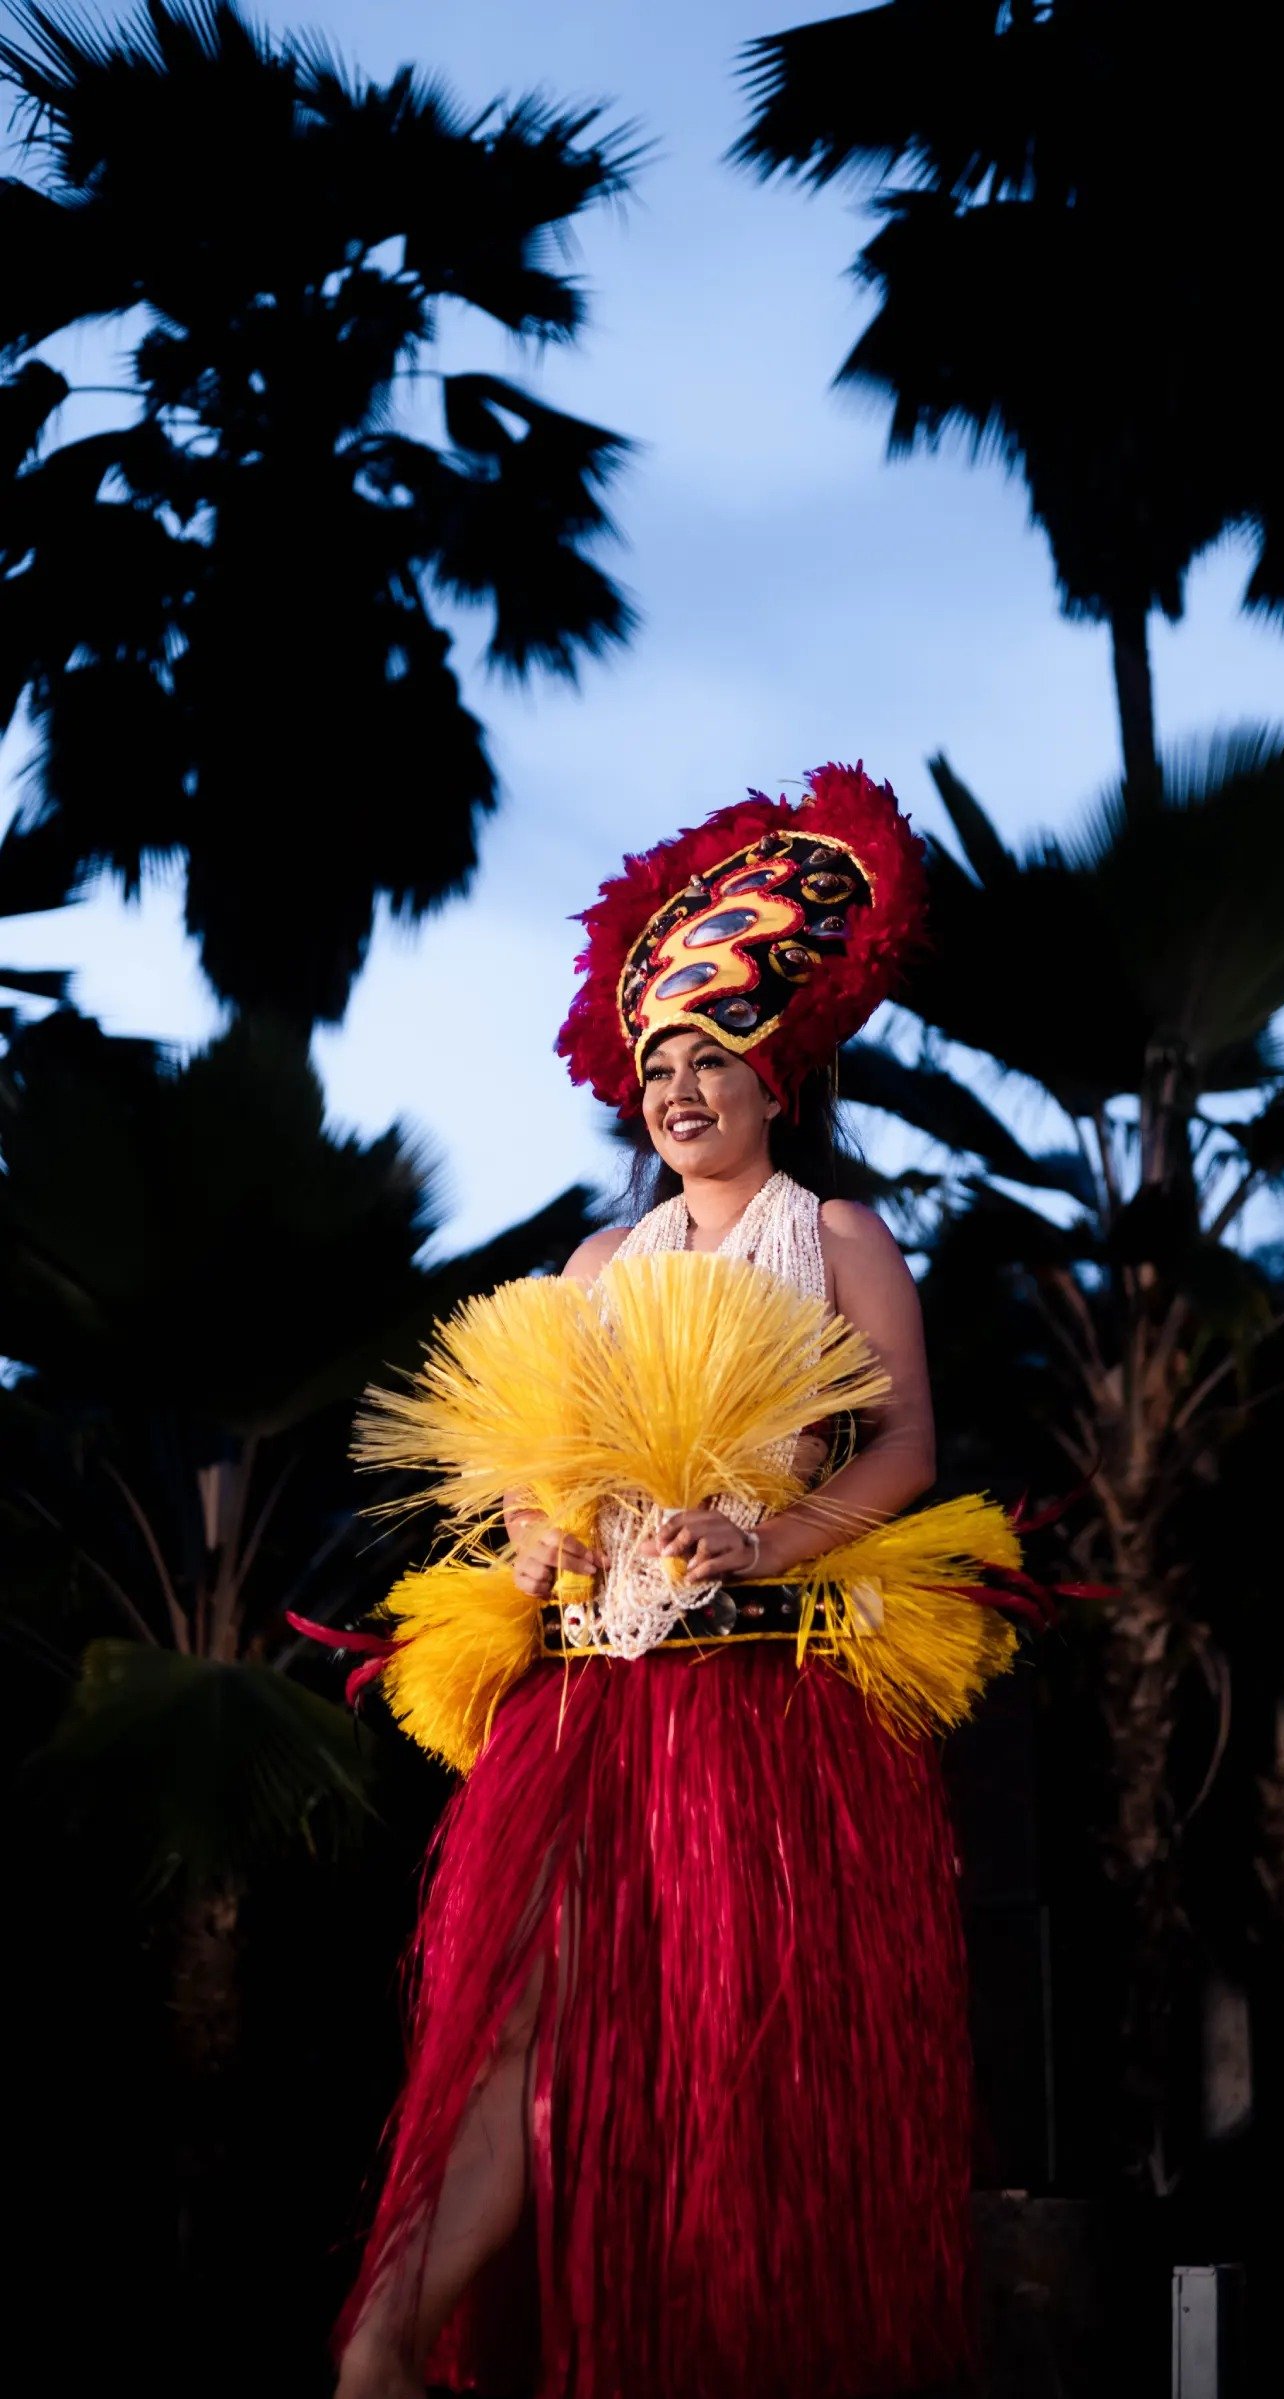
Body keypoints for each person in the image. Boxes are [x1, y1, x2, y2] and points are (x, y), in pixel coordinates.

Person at [333, 766, 1019, 2399]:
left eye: (711, 1056)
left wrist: (766, 1538)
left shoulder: (836, 1236)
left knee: (730, 2058)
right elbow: (540, 1466)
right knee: (521, 2032)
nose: (680, 1087)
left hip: (761, 1709)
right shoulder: (599, 1267)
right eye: (657, 1065)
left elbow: (906, 1447)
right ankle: (380, 2349)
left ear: (776, 1077)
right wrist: (538, 1532)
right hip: (587, 1713)